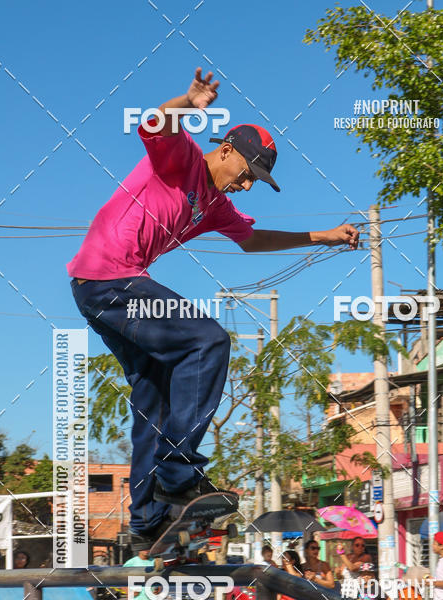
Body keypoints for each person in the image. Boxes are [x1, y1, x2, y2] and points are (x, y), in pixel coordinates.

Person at [68, 68, 359, 553]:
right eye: (246, 174)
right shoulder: (181, 160)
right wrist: (187, 100)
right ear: (225, 150)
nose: (245, 186)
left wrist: (323, 236)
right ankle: (178, 475)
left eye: (255, 182)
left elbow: (252, 240)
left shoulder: (215, 204)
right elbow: (155, 124)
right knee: (208, 340)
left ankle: (147, 522)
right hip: (109, 277)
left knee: (155, 395)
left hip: (98, 289)